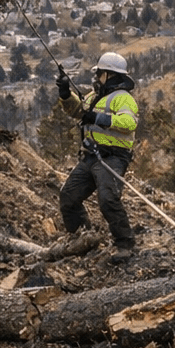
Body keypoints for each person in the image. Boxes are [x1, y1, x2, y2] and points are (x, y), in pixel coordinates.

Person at [56, 51, 140, 263]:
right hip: (92, 156)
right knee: (69, 197)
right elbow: (79, 111)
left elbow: (129, 123)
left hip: (112, 157)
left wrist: (98, 117)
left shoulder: (123, 99)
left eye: (100, 73)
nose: (97, 77)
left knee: (108, 199)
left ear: (109, 75)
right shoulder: (95, 97)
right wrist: (66, 93)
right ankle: (82, 239)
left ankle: (125, 244)